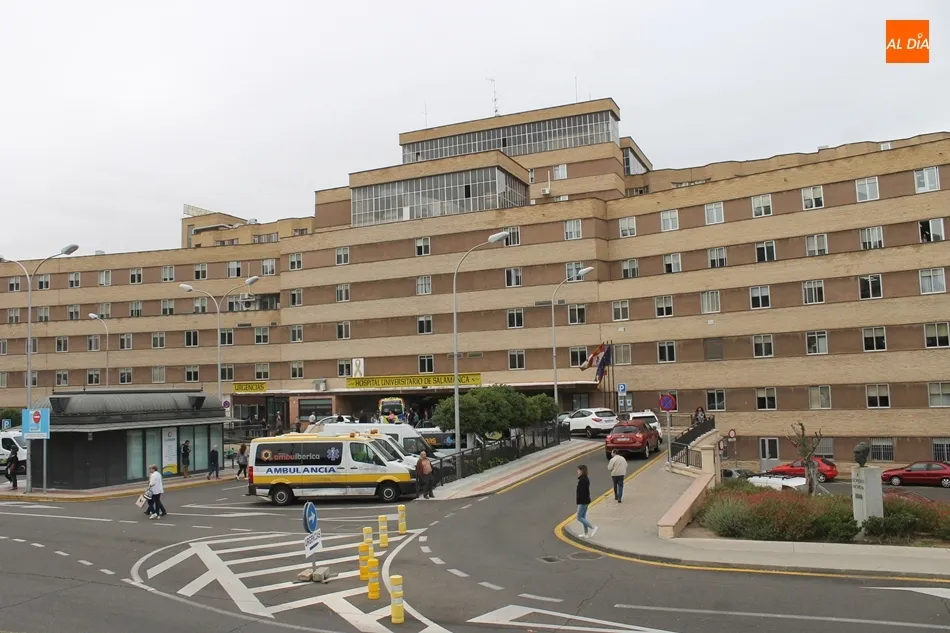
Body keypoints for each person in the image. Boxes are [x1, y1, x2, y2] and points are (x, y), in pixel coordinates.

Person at [575, 465, 597, 539]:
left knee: (579, 517)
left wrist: (580, 501)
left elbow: (583, 492)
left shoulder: (583, 480)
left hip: (583, 501)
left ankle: (593, 527)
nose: (577, 471)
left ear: (582, 471)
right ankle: (586, 533)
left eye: (578, 470)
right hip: (585, 500)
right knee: (583, 517)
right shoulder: (583, 479)